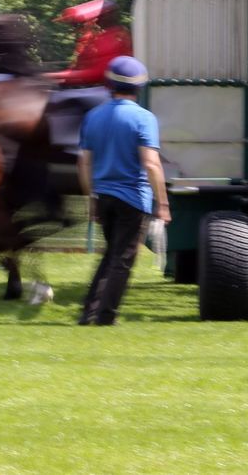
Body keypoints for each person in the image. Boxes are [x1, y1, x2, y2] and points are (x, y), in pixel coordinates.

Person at [76, 55, 169, 326]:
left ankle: (88, 313)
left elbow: (83, 163)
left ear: (109, 85)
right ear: (139, 87)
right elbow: (151, 164)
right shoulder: (144, 118)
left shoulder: (93, 117)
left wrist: (91, 198)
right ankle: (105, 317)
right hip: (133, 199)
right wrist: (162, 204)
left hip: (103, 196)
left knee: (111, 255)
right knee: (123, 259)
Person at [48, 0, 133, 87]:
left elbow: (97, 73)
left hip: (106, 89)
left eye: (78, 24)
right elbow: (77, 67)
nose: (74, 29)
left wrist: (54, 76)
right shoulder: (94, 40)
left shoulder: (113, 38)